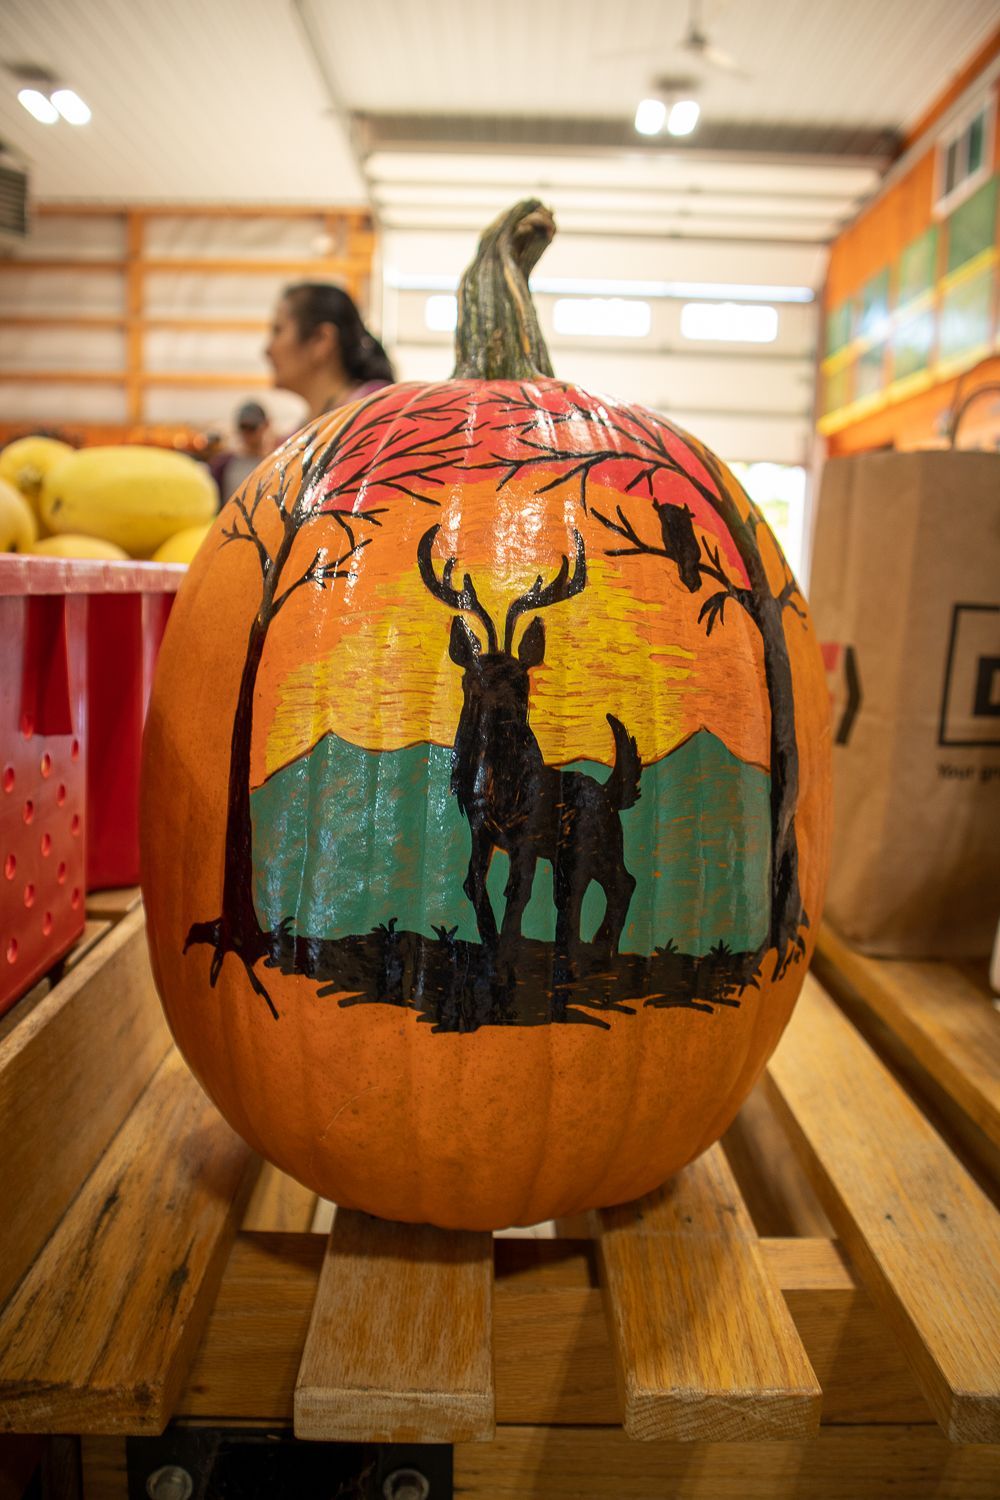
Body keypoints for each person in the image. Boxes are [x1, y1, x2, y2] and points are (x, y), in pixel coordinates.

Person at [265, 282, 395, 424]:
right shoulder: (304, 432)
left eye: (278, 331)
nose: (267, 350)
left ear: (321, 340)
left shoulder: (378, 413)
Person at [209, 400, 274, 506]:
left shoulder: (275, 463)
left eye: (252, 428)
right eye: (243, 427)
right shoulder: (223, 464)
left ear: (266, 425)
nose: (247, 434)